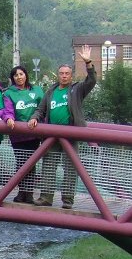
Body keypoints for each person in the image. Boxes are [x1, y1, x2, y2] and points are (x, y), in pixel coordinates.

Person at [28, 45, 96, 209]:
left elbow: (92, 81)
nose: (64, 76)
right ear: (58, 75)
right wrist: (34, 118)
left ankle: (67, 201)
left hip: (70, 136)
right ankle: (46, 198)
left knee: (71, 169)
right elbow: (41, 109)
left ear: (71, 75)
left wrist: (88, 63)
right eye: (61, 73)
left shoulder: (77, 89)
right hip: (52, 136)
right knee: (49, 167)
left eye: (67, 74)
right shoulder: (51, 91)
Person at [2, 66, 45, 204]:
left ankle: (29, 193)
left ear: (26, 75)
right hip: (18, 135)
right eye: (16, 75)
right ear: (12, 78)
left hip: (34, 134)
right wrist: (8, 118)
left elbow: (43, 108)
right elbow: (8, 110)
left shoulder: (37, 90)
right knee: (21, 163)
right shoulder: (8, 93)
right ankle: (22, 192)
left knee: (31, 164)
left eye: (21, 74)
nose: (19, 77)